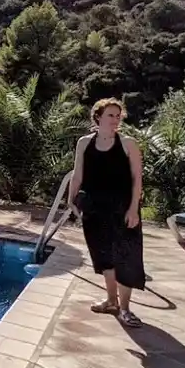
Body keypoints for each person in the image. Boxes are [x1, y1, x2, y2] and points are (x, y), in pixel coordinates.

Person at [67, 97, 146, 328]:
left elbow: (137, 179)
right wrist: (71, 201)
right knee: (104, 257)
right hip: (94, 207)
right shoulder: (84, 143)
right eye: (110, 115)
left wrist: (134, 208)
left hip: (122, 207)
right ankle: (111, 301)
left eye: (118, 116)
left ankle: (125, 308)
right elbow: (77, 173)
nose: (115, 119)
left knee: (126, 257)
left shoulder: (128, 143)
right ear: (98, 117)